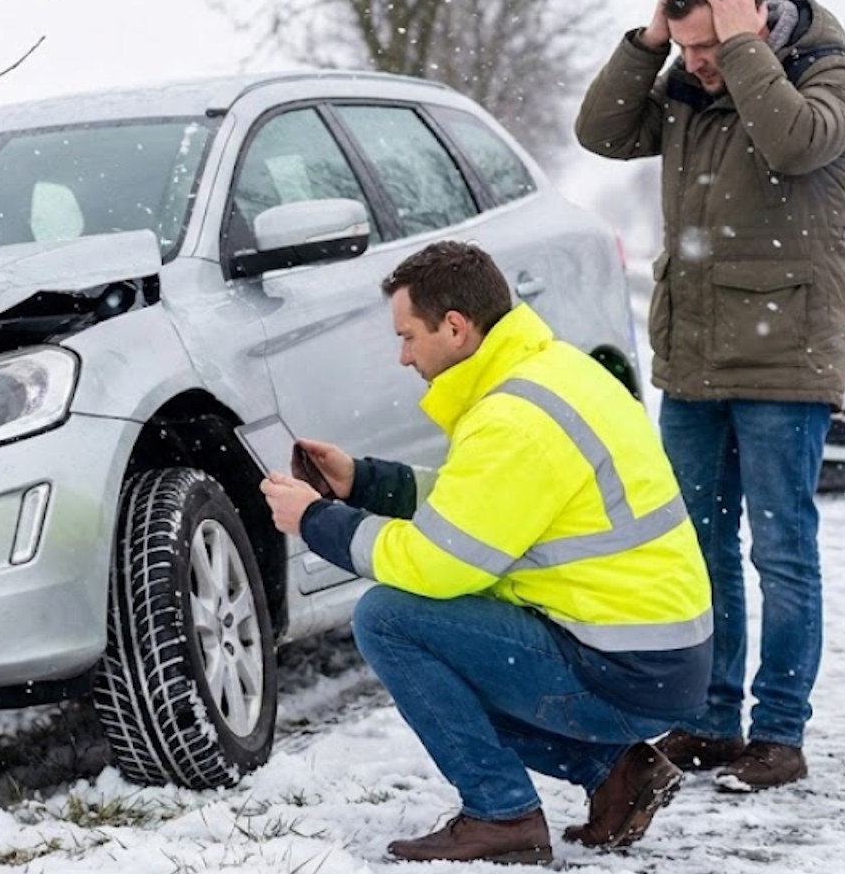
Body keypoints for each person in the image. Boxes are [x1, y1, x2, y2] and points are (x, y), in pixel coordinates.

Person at [260, 241, 712, 865]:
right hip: (653, 656)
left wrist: (316, 521)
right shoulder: (552, 373)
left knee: (391, 620)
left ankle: (502, 814)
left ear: (454, 327)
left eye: (409, 336)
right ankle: (616, 773)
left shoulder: (514, 417)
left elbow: (441, 564)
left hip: (622, 670)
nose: (402, 356)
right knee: (452, 643)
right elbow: (479, 508)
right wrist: (363, 481)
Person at [574, 0, 845, 792]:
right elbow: (600, 133)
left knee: (782, 551)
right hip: (693, 359)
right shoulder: (684, 86)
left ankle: (778, 731)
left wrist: (737, 49)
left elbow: (794, 141)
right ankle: (709, 718)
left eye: (705, 47)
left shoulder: (826, 74)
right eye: (686, 49)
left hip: (783, 359)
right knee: (698, 549)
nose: (693, 65)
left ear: (748, 20)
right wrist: (648, 41)